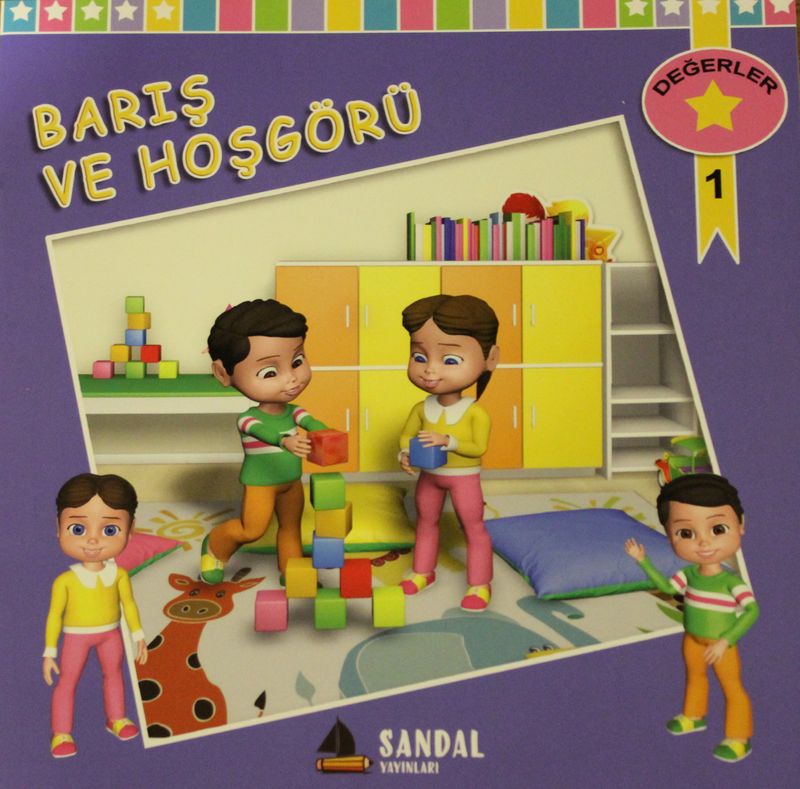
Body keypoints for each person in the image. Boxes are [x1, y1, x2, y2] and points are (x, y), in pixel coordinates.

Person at [624, 473, 759, 763]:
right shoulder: (687, 574)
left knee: (732, 688)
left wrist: (725, 641)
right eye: (686, 533)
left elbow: (752, 611)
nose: (703, 543)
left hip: (722, 645)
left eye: (718, 529)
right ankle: (694, 716)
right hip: (693, 639)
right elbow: (665, 588)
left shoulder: (731, 583)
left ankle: (739, 737)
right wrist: (642, 560)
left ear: (741, 524)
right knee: (694, 678)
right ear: (669, 535)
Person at [201, 298, 328, 583]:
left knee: (291, 527)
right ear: (222, 374)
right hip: (261, 483)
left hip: (291, 480)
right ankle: (215, 547)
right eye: (269, 373)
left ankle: (292, 573)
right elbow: (263, 432)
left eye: (297, 362)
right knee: (252, 530)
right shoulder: (247, 419)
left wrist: (327, 434)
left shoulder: (294, 412)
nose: (292, 379)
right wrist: (285, 442)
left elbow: (312, 423)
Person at [398, 294, 499, 612]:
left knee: (473, 526)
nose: (430, 370)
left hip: (463, 478)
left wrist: (448, 441)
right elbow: (406, 435)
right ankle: (422, 572)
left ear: (490, 359)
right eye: (419, 356)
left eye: (450, 360)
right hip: (429, 477)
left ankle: (480, 584)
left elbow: (478, 448)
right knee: (426, 522)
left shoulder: (475, 413)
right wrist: (405, 451)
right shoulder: (421, 407)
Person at [44, 473, 148, 759]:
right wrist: (49, 651)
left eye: (110, 530)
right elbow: (54, 615)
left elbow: (129, 605)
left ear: (130, 529)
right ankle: (61, 733)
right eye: (77, 528)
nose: (92, 539)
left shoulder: (120, 574)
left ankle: (117, 718)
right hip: (76, 638)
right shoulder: (65, 580)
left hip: (110, 634)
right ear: (58, 527)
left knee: (114, 674)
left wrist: (138, 635)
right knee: (68, 681)